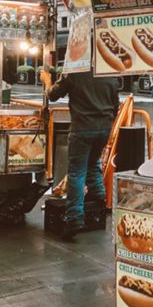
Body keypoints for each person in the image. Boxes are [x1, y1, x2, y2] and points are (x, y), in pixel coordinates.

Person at [40, 68, 119, 240]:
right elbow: (115, 106)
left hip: (82, 128)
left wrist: (47, 80)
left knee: (76, 172)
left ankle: (74, 218)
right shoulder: (108, 73)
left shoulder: (75, 72)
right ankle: (99, 203)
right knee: (92, 164)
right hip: (103, 128)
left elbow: (53, 94)